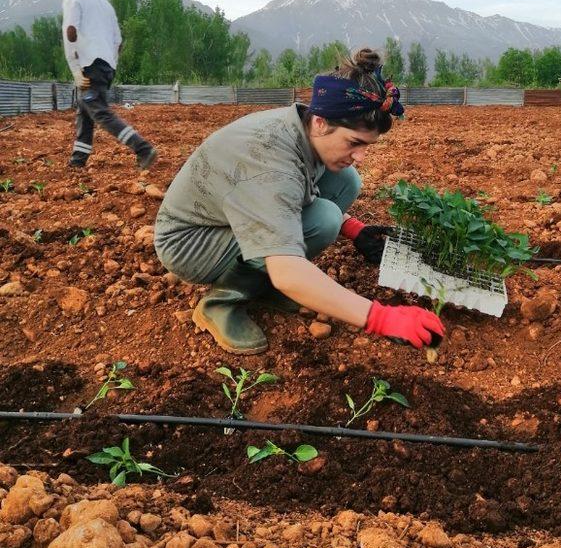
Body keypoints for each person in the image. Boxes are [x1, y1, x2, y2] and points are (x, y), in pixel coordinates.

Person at [154, 48, 445, 354]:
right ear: (320, 122)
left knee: (346, 181)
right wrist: (380, 317)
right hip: (191, 243)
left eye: (367, 146)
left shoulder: (304, 126)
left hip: (231, 217)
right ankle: (221, 303)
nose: (360, 156)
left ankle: (262, 287)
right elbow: (288, 268)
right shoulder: (270, 162)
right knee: (322, 221)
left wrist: (354, 229)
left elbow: (296, 192)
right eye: (354, 143)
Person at [60, 0, 157, 169]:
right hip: (105, 66)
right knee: (85, 111)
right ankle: (77, 161)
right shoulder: (104, 4)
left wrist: (76, 70)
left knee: (100, 112)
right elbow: (118, 41)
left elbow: (70, 33)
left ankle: (142, 148)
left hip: (89, 66)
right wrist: (111, 64)